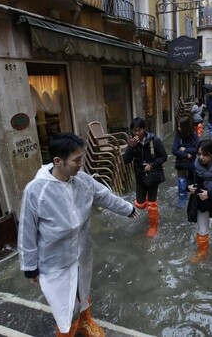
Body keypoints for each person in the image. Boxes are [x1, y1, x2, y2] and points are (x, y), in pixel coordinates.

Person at [18, 132, 139, 337]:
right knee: (65, 308)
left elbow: (104, 196)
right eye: (76, 160)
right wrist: (30, 267)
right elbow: (26, 231)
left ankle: (86, 322)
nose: (81, 163)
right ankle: (66, 332)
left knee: (82, 291)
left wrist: (127, 208)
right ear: (58, 161)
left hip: (82, 252)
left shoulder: (82, 180)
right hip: (54, 260)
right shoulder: (36, 191)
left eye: (81, 157)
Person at [124, 117, 168, 237]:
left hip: (153, 176)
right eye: (134, 131)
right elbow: (126, 160)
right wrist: (131, 146)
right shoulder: (133, 143)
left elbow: (163, 157)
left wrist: (152, 165)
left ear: (144, 129)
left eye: (139, 130)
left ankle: (153, 227)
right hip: (140, 176)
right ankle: (149, 209)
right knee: (140, 203)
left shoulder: (155, 141)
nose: (136, 133)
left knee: (152, 204)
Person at [172, 117, 200, 207]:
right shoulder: (178, 136)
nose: (178, 128)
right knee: (181, 180)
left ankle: (194, 198)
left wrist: (185, 149)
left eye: (180, 126)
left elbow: (198, 149)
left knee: (193, 181)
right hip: (181, 163)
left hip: (193, 163)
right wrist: (186, 154)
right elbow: (174, 150)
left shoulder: (194, 135)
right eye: (178, 126)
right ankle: (182, 198)